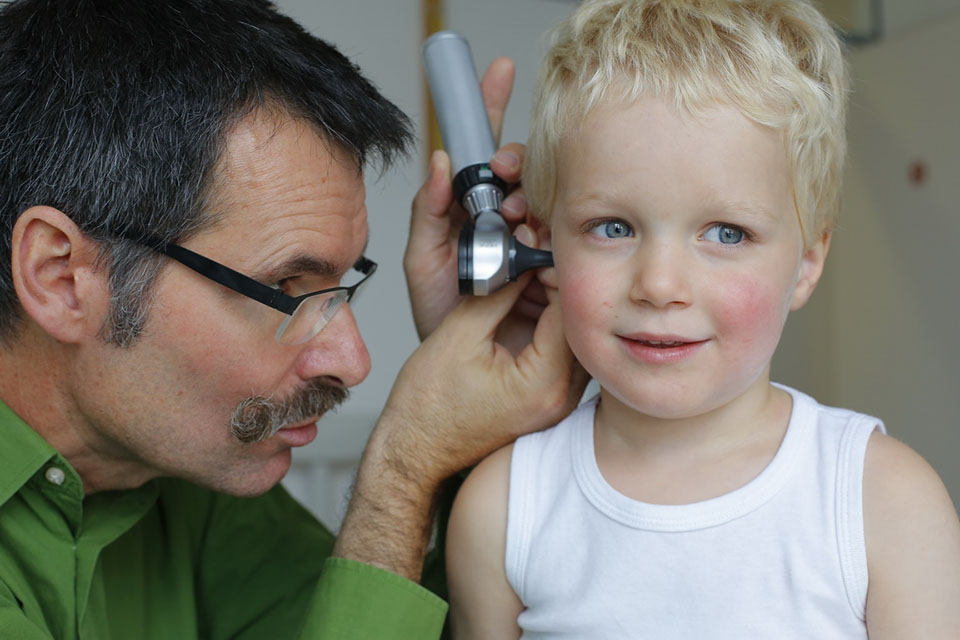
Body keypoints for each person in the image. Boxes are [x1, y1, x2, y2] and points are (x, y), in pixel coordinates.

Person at [0, 1, 587, 638]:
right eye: (283, 285)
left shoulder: (182, 471)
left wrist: (482, 352)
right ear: (60, 277)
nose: (352, 361)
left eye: (339, 287)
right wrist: (402, 469)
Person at [446, 0, 960, 638]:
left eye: (727, 233)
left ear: (805, 263)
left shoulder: (882, 502)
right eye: (612, 228)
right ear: (547, 246)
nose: (660, 285)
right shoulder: (501, 510)